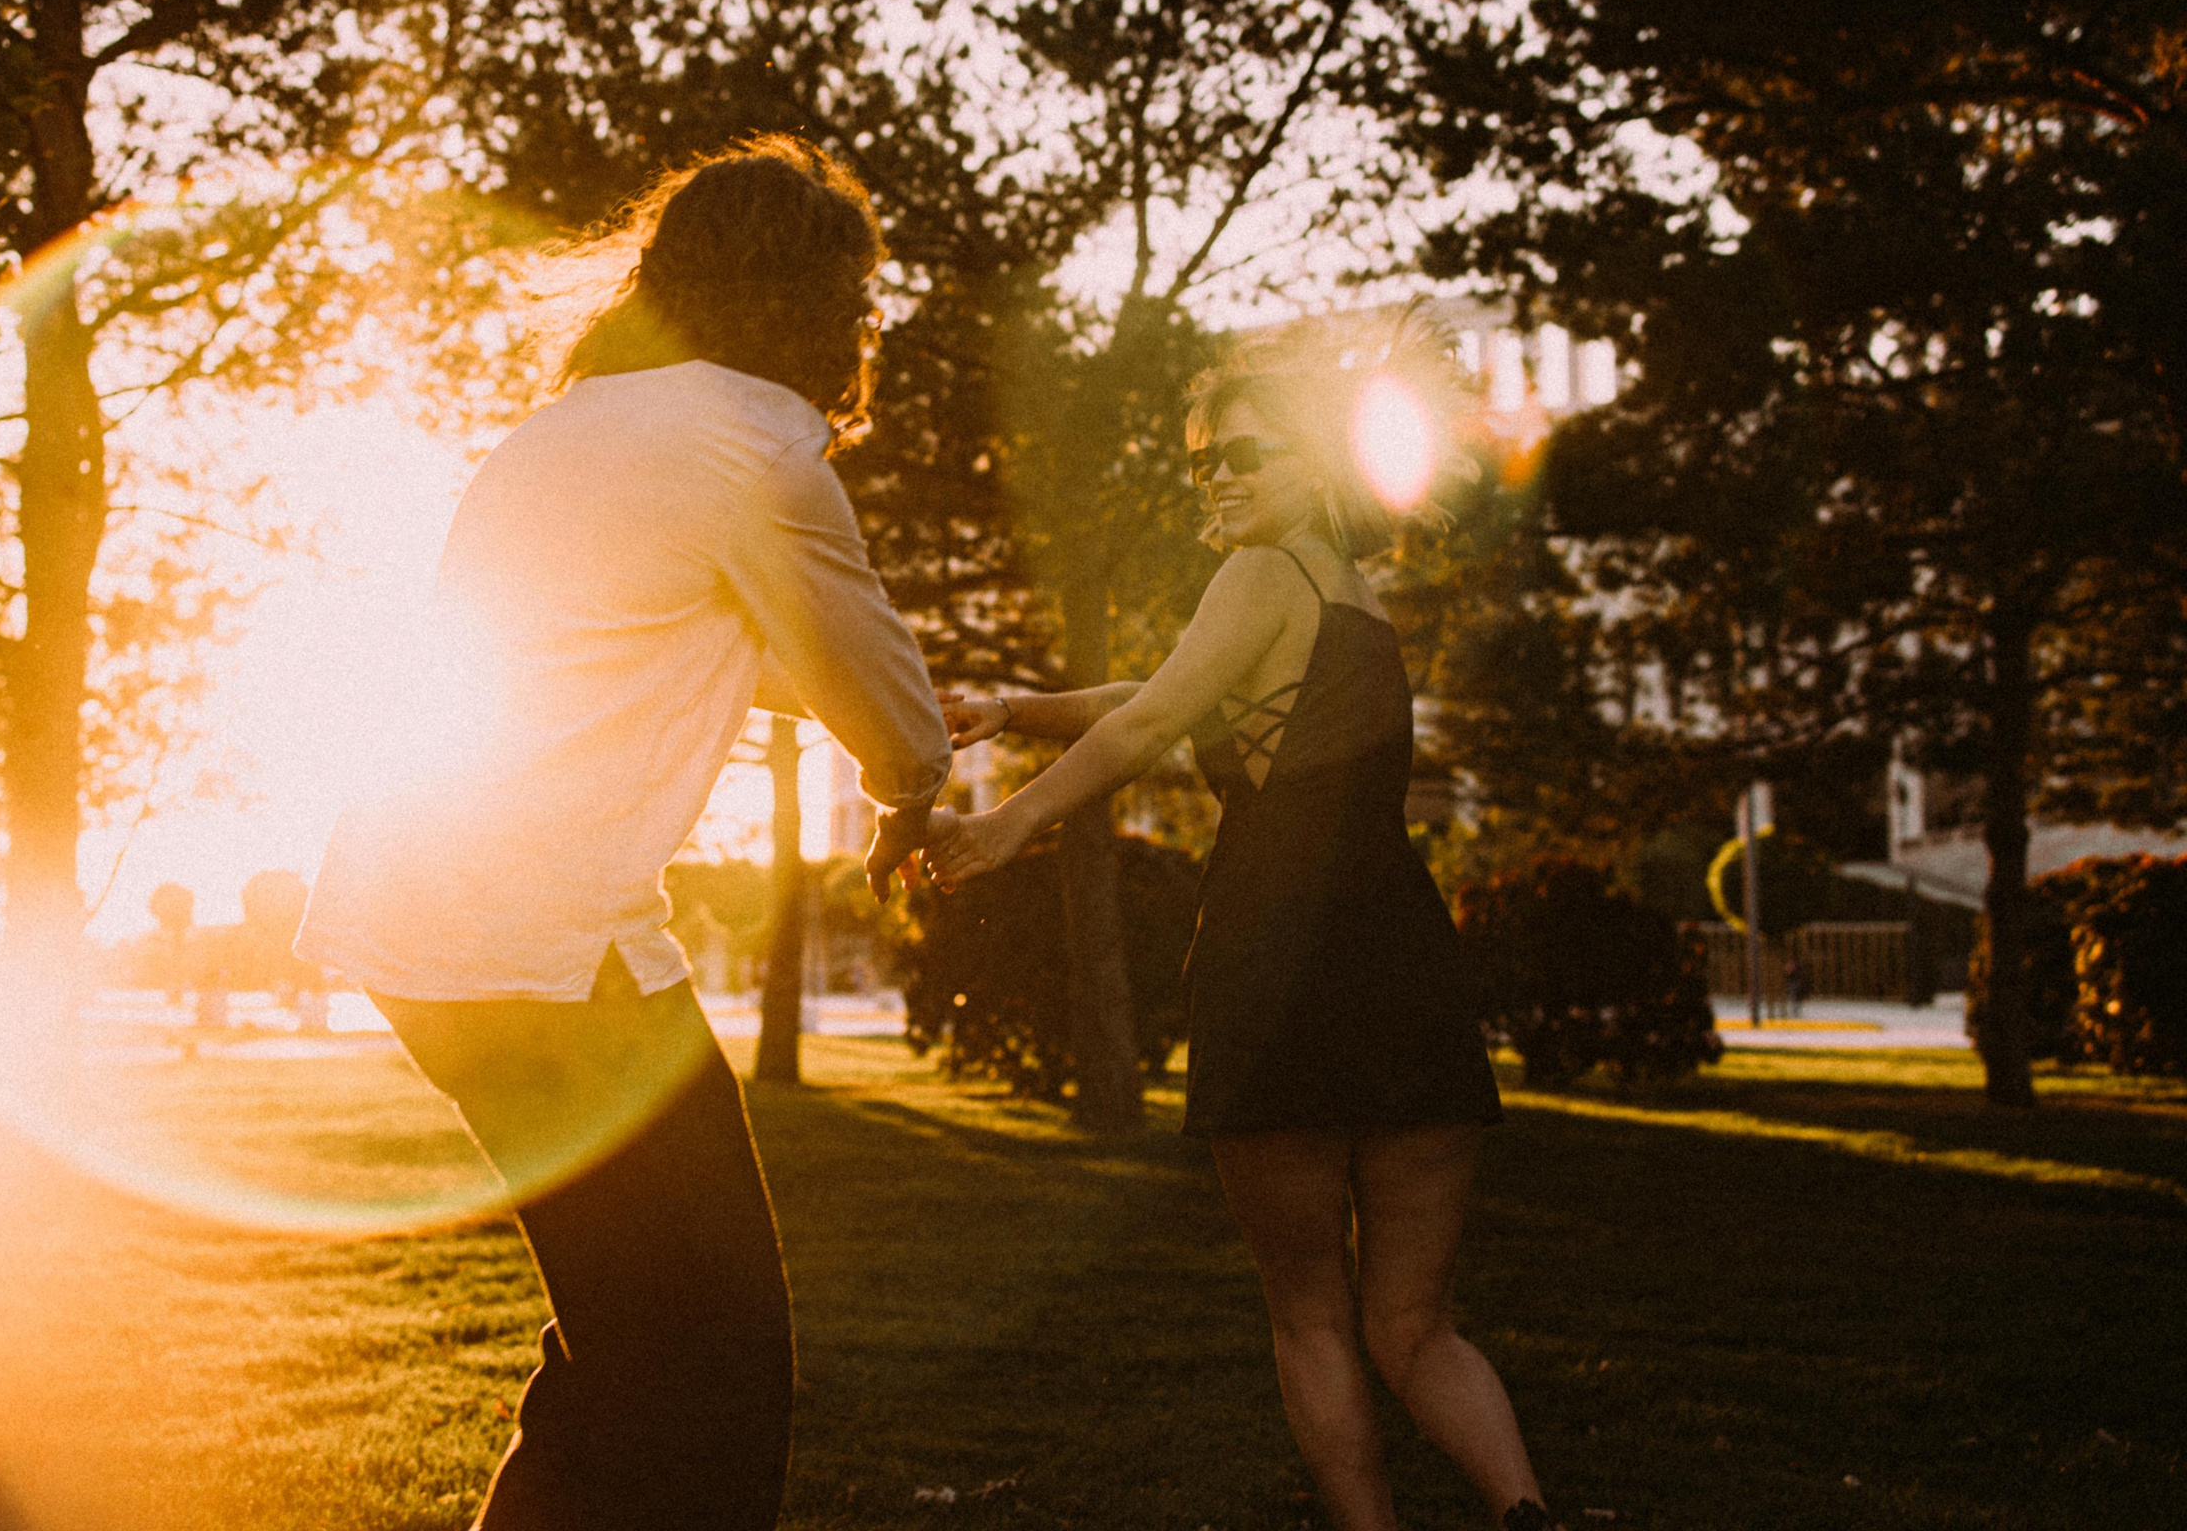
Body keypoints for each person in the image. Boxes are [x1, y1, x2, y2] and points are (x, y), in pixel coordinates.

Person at [298, 137, 952, 1531]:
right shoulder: (759, 443)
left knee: (627, 1349)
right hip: (545, 949)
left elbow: (659, 644)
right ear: (815, 299)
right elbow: (898, 724)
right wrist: (908, 787)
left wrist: (909, 709)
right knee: (723, 1364)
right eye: (854, 296)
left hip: (419, 928)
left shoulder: (567, 425)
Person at [921, 324, 1558, 1531]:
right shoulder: (1351, 598)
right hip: (1407, 967)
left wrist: (1004, 827)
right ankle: (1526, 1512)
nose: (1215, 475)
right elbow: (1167, 695)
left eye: (1244, 454)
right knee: (1416, 1325)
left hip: (1279, 971)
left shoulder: (1259, 575)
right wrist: (1012, 705)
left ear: (1314, 462)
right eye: (1203, 459)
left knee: (1310, 1316)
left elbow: (1149, 724)